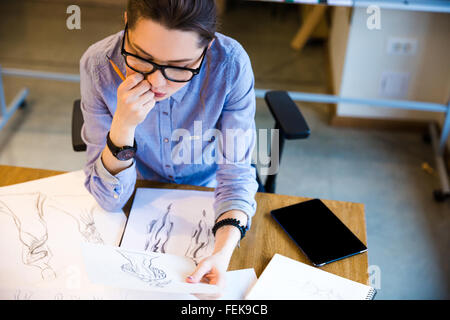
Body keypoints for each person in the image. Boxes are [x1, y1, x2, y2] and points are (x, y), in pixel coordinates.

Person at [79, 0, 258, 297]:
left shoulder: (231, 65)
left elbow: (237, 175)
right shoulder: (98, 65)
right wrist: (123, 126)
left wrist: (222, 252)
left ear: (207, 47)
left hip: (209, 191)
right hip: (136, 192)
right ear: (126, 23)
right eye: (141, 57)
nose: (156, 81)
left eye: (180, 67)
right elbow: (108, 200)